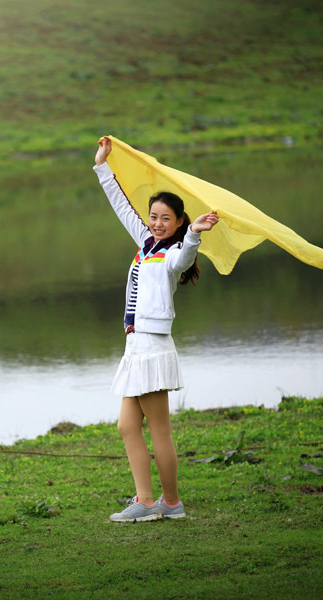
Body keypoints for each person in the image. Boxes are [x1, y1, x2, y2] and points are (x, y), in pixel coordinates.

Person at [93, 136, 219, 523]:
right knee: (127, 425)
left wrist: (195, 233)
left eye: (167, 218)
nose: (158, 223)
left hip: (151, 347)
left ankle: (169, 502)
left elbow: (185, 260)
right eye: (154, 217)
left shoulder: (172, 255)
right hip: (136, 347)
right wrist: (102, 166)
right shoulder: (146, 242)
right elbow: (121, 207)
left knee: (160, 430)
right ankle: (147, 502)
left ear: (178, 221)